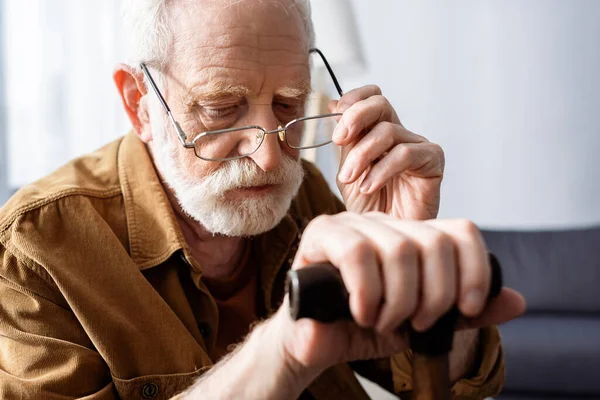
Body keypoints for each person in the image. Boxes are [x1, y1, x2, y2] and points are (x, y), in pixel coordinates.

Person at [0, 0, 525, 399]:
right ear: (139, 105)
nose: (271, 158)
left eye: (288, 103)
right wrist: (281, 349)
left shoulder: (308, 199)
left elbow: (454, 385)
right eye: (221, 108)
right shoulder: (35, 253)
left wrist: (407, 250)